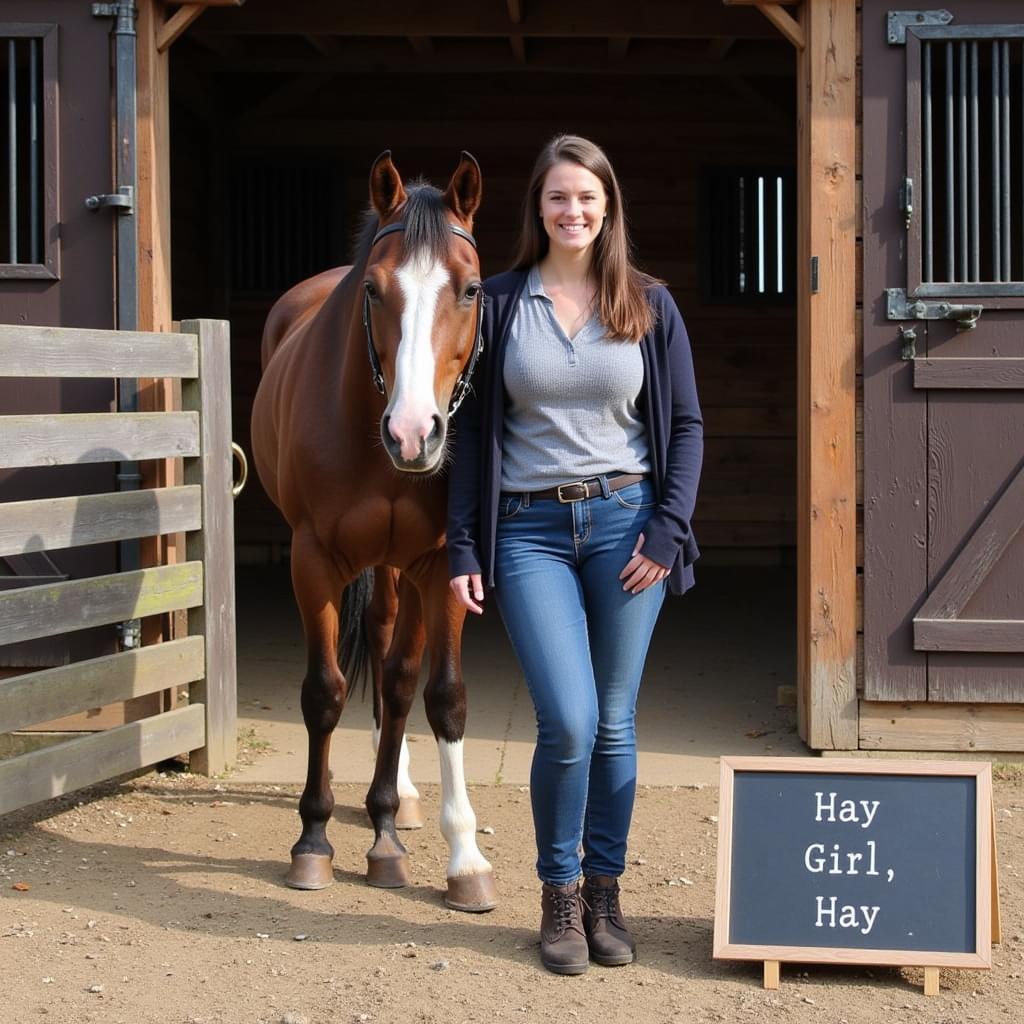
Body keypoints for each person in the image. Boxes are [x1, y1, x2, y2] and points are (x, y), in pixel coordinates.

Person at [447, 135, 702, 975]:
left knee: (617, 720)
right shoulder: (499, 301)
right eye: (559, 197)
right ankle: (557, 895)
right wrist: (462, 544)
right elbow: (472, 432)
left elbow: (687, 427)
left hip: (628, 527)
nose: (574, 211)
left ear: (609, 207)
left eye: (588, 197)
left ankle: (604, 893)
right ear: (540, 207)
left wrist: (667, 531)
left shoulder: (649, 304)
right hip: (528, 533)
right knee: (570, 718)